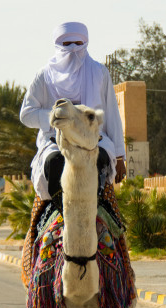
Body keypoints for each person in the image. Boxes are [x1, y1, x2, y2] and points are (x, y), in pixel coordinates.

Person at [19, 21, 126, 205]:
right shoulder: (44, 76)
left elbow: (112, 115)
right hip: (55, 140)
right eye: (67, 44)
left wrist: (119, 156)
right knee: (54, 162)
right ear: (57, 45)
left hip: (94, 138)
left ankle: (97, 206)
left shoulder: (99, 72)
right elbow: (26, 114)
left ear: (85, 44)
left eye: (78, 44)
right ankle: (57, 209)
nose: (73, 49)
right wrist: (55, 118)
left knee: (100, 160)